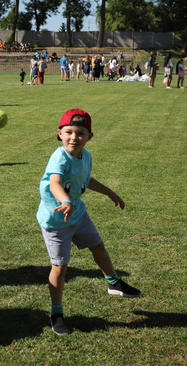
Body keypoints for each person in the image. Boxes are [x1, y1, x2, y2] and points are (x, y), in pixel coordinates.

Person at [37, 108, 141, 335]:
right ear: (59, 134)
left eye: (80, 133)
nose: (74, 137)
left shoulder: (86, 156)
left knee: (98, 246)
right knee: (60, 267)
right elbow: (55, 183)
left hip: (77, 214)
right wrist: (65, 201)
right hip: (56, 221)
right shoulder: (59, 158)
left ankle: (114, 282)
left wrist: (109, 192)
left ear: (89, 136)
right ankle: (56, 314)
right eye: (69, 132)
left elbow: (86, 179)